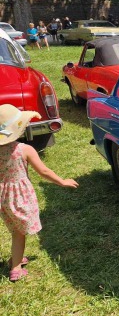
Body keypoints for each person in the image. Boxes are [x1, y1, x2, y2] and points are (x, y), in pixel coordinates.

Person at [0, 104, 78, 282]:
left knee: (15, 229)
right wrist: (62, 181)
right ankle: (16, 268)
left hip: (2, 197)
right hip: (18, 196)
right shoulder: (24, 149)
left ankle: (16, 257)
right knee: (19, 232)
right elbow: (44, 172)